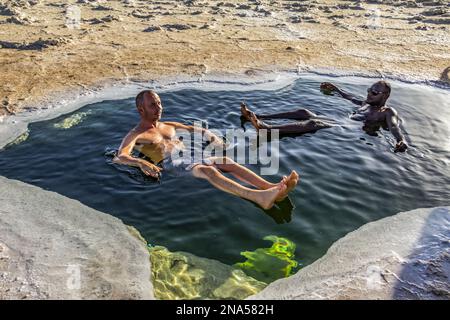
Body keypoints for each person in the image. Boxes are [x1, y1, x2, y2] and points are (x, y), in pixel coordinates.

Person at [113, 90, 299, 210]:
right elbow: (120, 156)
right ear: (141, 110)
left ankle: (271, 188)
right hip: (173, 163)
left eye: (160, 103)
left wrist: (213, 137)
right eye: (153, 105)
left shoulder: (168, 125)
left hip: (191, 155)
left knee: (227, 162)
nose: (159, 108)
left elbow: (195, 129)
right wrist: (140, 162)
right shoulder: (136, 134)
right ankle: (259, 197)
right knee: (209, 170)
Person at [320, 80, 408, 152]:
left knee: (314, 123)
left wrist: (401, 140)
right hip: (340, 121)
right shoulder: (365, 103)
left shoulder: (387, 111)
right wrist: (336, 89)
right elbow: (350, 97)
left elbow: (394, 127)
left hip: (346, 127)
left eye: (374, 92)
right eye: (369, 90)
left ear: (385, 96)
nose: (369, 94)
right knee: (305, 112)